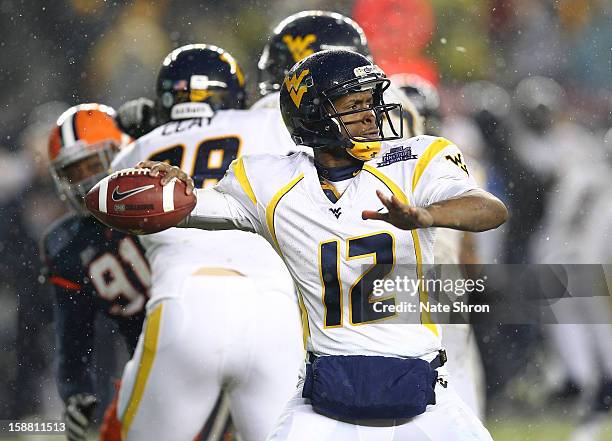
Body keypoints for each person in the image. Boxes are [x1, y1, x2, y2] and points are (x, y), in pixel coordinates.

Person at [135, 49, 507, 440]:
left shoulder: (413, 160)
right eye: (355, 104)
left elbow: (489, 209)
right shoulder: (269, 181)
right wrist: (169, 186)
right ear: (314, 115)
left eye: (373, 102)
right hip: (326, 398)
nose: (371, 115)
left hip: (423, 394)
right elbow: (187, 208)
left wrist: (427, 216)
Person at [111, 44, 303, 441]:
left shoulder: (133, 154)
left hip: (186, 302)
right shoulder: (270, 124)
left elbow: (111, 212)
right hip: (275, 311)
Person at [40, 103, 150, 441]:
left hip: (212, 335)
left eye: (93, 164)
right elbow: (73, 334)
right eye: (73, 172)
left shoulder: (161, 197)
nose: (85, 181)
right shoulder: (67, 244)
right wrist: (76, 390)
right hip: (146, 366)